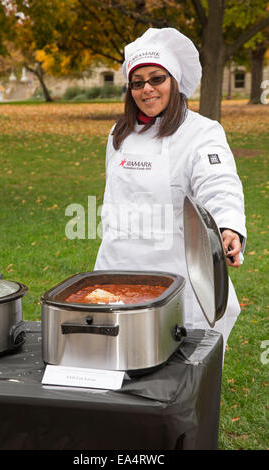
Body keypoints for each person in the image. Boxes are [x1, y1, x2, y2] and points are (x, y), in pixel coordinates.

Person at [94, 27, 247, 353]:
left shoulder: (202, 132)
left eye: (156, 79)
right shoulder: (118, 133)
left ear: (174, 82)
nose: (146, 89)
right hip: (117, 265)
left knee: (178, 375)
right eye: (137, 82)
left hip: (177, 275)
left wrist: (229, 225)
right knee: (118, 359)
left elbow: (219, 184)